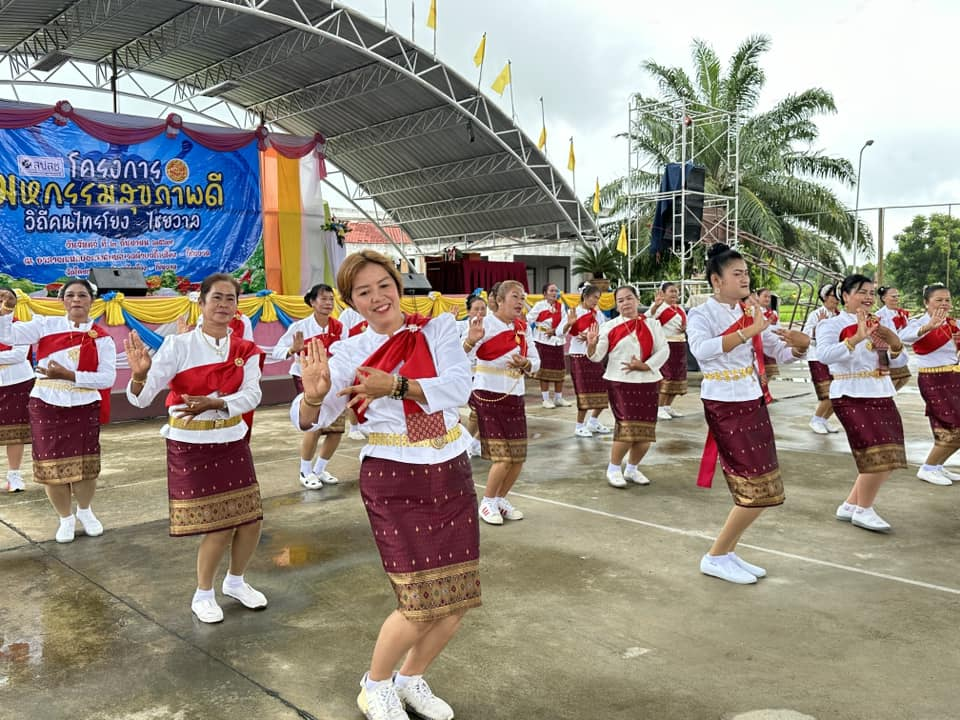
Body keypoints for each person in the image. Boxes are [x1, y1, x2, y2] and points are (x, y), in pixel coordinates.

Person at [293, 250, 477, 720]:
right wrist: (313, 398)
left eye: (383, 285)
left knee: (456, 599)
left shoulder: (437, 329)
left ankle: (411, 679)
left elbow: (459, 387)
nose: (377, 297)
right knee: (417, 599)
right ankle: (374, 686)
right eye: (363, 292)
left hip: (450, 465)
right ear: (350, 303)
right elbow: (310, 417)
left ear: (399, 285)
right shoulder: (348, 352)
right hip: (394, 475)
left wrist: (395, 386)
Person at [125, 273, 266, 623]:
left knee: (250, 520)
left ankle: (235, 582)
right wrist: (140, 375)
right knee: (217, 525)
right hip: (191, 443)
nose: (223, 305)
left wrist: (216, 404)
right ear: (200, 303)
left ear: (237, 306)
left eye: (230, 299)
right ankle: (203, 593)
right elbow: (141, 399)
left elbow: (252, 394)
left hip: (231, 439)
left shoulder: (245, 350)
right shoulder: (178, 346)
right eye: (216, 298)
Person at [688, 244, 810, 584]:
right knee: (754, 485)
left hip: (752, 398)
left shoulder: (750, 311)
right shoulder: (702, 313)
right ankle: (715, 555)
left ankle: (726, 552)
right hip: (724, 402)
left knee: (765, 483)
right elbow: (701, 351)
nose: (745, 278)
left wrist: (801, 345)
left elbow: (780, 352)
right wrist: (747, 331)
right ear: (716, 280)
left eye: (746, 273)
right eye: (737, 273)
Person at [0, 279, 116, 542]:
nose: (77, 300)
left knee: (85, 466)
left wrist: (68, 374)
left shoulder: (103, 338)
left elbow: (106, 379)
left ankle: (85, 511)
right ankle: (65, 518)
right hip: (46, 403)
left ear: (91, 301)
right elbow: (7, 337)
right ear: (62, 300)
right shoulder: (45, 324)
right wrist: (5, 312)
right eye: (71, 295)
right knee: (51, 466)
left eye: (82, 295)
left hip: (84, 405)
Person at [817, 274, 907, 533]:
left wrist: (895, 343)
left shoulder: (880, 323)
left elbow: (898, 362)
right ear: (845, 296)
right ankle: (864, 509)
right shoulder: (832, 325)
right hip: (850, 393)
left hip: (881, 391)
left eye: (870, 292)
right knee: (873, 453)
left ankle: (851, 504)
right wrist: (855, 338)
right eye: (861, 292)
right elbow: (824, 355)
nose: (868, 297)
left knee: (890, 453)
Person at [466, 280, 540, 525]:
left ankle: (500, 499)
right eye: (515, 296)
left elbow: (535, 360)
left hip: (515, 394)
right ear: (499, 300)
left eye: (522, 297)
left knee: (518, 456)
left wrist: (525, 364)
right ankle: (487, 501)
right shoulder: (483, 324)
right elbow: (459, 356)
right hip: (488, 394)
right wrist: (469, 341)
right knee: (503, 457)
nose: (520, 302)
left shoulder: (522, 328)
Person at [586, 285, 668, 487]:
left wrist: (645, 365)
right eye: (620, 300)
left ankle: (632, 468)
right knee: (627, 429)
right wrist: (591, 344)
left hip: (648, 382)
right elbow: (596, 357)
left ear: (637, 300)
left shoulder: (653, 324)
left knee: (645, 433)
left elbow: (664, 350)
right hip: (620, 383)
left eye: (629, 298)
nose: (625, 303)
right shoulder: (609, 326)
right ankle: (613, 468)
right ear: (616, 304)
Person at [272, 283, 346, 489]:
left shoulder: (340, 327)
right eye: (323, 299)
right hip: (306, 381)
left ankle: (320, 469)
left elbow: (348, 353)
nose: (328, 303)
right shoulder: (299, 328)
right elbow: (276, 351)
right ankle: (305, 471)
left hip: (335, 380)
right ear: (312, 302)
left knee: (336, 429)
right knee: (313, 426)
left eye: (331, 299)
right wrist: (291, 349)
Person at [898, 284, 960, 486]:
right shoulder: (919, 323)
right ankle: (928, 467)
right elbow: (901, 339)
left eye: (947, 300)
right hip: (933, 380)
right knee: (952, 426)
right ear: (926, 303)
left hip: (953, 378)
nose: (944, 304)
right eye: (938, 300)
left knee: (951, 426)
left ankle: (937, 466)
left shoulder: (953, 323)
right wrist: (929, 327)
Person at [562, 283, 611, 437]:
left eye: (598, 298)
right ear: (586, 296)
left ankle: (594, 421)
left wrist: (594, 338)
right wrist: (569, 325)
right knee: (583, 392)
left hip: (594, 355)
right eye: (594, 297)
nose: (596, 301)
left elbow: (604, 332)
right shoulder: (573, 312)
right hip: (578, 356)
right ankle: (579, 425)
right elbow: (560, 332)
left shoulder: (598, 314)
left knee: (603, 390)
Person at [0, 287, 33, 493]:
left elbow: (19, 355)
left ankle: (14, 476)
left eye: (5, 298)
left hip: (17, 383)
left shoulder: (20, 326)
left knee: (15, 432)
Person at [803, 283, 842, 435]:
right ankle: (816, 420)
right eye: (834, 296)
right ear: (825, 297)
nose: (837, 299)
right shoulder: (816, 314)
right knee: (827, 393)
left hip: (835, 358)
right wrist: (819, 326)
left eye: (838, 296)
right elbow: (807, 336)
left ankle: (823, 420)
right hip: (817, 357)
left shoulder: (839, 315)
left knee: (837, 393)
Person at [646, 281, 689, 420]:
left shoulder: (680, 308)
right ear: (663, 293)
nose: (674, 294)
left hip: (680, 345)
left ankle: (667, 406)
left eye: (676, 291)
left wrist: (685, 328)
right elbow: (646, 319)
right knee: (667, 376)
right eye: (671, 291)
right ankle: (658, 407)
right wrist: (655, 306)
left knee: (678, 377)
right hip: (666, 345)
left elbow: (685, 324)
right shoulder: (659, 307)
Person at [526, 282, 569, 408]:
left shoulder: (561, 307)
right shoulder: (539, 305)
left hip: (557, 340)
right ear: (545, 294)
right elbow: (529, 320)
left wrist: (555, 330)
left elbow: (564, 321)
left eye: (556, 291)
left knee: (560, 370)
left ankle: (558, 398)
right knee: (544, 371)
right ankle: (545, 399)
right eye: (551, 291)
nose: (554, 293)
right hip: (543, 340)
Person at [458, 294, 487, 456]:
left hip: (487, 375)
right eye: (476, 309)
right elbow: (461, 351)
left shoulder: (491, 326)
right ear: (468, 311)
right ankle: (467, 445)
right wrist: (471, 341)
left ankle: (474, 443)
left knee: (488, 412)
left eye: (483, 309)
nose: (480, 312)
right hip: (469, 375)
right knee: (478, 410)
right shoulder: (462, 327)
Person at [875, 285, 912, 391]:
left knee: (904, 378)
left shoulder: (901, 313)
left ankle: (888, 400)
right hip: (887, 352)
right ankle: (885, 401)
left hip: (900, 349)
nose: (896, 298)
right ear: (884, 298)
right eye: (893, 296)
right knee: (892, 380)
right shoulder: (879, 315)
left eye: (897, 296)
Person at [755, 288, 781, 394]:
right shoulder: (754, 312)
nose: (767, 298)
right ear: (757, 297)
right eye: (764, 296)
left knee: (769, 373)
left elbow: (777, 327)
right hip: (759, 347)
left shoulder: (773, 313)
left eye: (769, 296)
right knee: (759, 374)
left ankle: (761, 394)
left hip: (771, 347)